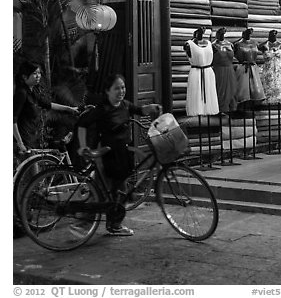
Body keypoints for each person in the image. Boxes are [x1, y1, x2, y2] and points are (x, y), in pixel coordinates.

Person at [77, 73, 162, 237]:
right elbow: (82, 123)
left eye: (123, 87)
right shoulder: (101, 110)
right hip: (106, 153)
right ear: (107, 91)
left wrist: (151, 107)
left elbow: (140, 110)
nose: (121, 91)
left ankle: (115, 225)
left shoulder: (125, 105)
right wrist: (82, 147)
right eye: (117, 88)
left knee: (120, 191)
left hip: (121, 152)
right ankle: (81, 224)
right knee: (100, 191)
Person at [13, 60, 79, 156]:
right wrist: (20, 143)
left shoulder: (31, 91)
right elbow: (12, 120)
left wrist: (70, 109)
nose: (38, 76)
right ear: (24, 76)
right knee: (31, 169)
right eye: (34, 73)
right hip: (21, 142)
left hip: (29, 140)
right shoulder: (22, 93)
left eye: (39, 73)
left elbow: (48, 104)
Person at [183, 27, 219, 116]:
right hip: (196, 72)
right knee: (196, 95)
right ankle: (197, 112)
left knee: (209, 95)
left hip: (208, 72)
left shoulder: (210, 44)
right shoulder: (189, 44)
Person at [233, 28, 265, 104]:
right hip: (243, 68)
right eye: (247, 33)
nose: (249, 35)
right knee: (242, 90)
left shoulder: (255, 43)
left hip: (253, 67)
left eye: (250, 33)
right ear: (243, 34)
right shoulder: (237, 44)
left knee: (256, 90)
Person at [258, 30, 281, 104]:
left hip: (279, 70)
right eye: (271, 35)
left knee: (279, 88)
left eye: (274, 35)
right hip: (268, 70)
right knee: (268, 88)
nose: (273, 36)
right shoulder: (263, 45)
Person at [211, 27, 237, 113]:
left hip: (229, 70)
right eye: (219, 33)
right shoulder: (212, 45)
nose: (221, 35)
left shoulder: (230, 44)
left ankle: (231, 110)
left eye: (223, 34)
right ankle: (220, 110)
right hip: (219, 70)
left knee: (232, 90)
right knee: (220, 90)